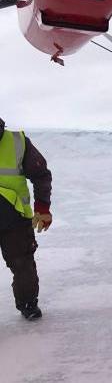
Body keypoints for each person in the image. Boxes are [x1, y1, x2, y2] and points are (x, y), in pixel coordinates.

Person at [0, 117, 52, 320]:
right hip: (16, 219)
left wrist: (42, 208)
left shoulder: (18, 141)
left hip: (15, 219)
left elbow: (40, 174)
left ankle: (28, 304)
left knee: (23, 266)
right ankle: (28, 303)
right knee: (23, 266)